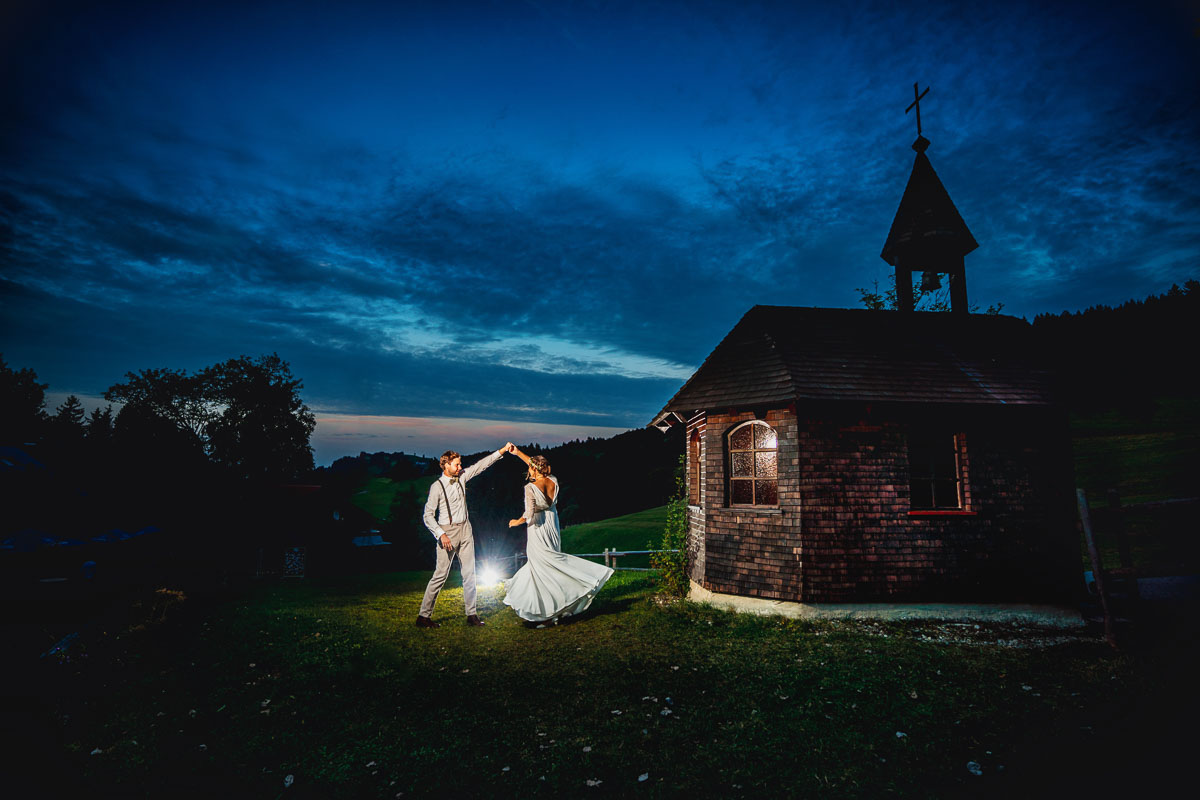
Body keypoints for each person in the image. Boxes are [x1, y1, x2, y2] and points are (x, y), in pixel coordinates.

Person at [503, 449, 613, 625]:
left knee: (543, 569)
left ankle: (548, 614)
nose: (528, 470)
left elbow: (529, 514)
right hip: (552, 525)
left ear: (534, 469)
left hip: (538, 528)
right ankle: (562, 607)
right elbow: (534, 464)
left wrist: (516, 521)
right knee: (553, 564)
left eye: (530, 468)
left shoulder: (530, 488)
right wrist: (518, 453)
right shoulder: (553, 480)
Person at [416, 442, 515, 628]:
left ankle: (472, 615)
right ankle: (423, 616)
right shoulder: (436, 486)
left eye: (460, 464)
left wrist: (501, 451)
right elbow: (427, 515)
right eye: (457, 465)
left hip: (466, 529)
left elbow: (480, 466)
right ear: (446, 465)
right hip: (447, 532)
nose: (460, 468)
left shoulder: (461, 477)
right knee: (440, 575)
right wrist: (441, 534)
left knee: (470, 573)